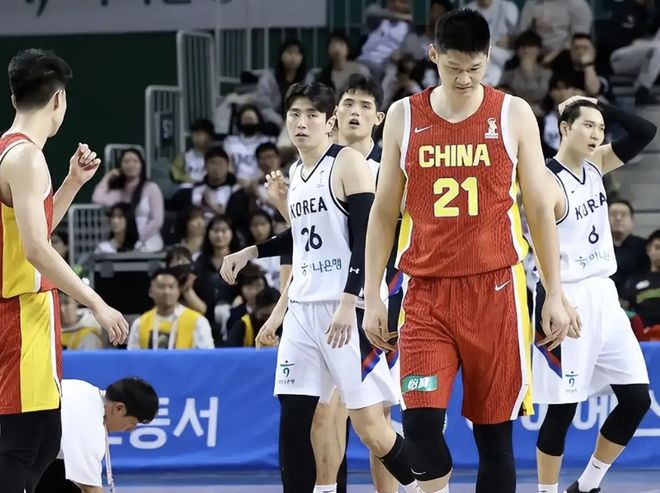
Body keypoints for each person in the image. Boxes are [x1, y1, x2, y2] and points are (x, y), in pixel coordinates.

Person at [362, 10, 572, 493]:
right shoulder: (404, 116)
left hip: (496, 291)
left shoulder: (513, 113)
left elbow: (539, 209)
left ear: (489, 57)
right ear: (433, 55)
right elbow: (383, 212)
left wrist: (554, 292)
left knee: (494, 439)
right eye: (453, 67)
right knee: (419, 430)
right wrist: (372, 295)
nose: (463, 78)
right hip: (425, 294)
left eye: (475, 68)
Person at [220, 82, 417, 493]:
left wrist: (349, 302)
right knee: (298, 416)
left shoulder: (348, 163)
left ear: (329, 122)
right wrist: (251, 251)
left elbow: (366, 238)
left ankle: (424, 484)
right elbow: (303, 235)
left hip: (346, 308)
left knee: (371, 428)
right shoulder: (296, 171)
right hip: (304, 309)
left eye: (312, 115)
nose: (302, 122)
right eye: (295, 114)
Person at [0, 49, 128, 493]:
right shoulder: (26, 159)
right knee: (24, 448)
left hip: (30, 316)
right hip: (19, 317)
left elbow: (31, 232)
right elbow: (37, 249)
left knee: (41, 445)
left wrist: (72, 183)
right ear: (58, 100)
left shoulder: (11, 150)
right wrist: (96, 303)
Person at [533, 97, 655, 493]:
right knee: (562, 411)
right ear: (564, 128)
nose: (596, 134)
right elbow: (535, 248)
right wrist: (554, 297)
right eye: (587, 125)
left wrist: (598, 105)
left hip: (604, 293)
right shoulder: (544, 179)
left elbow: (645, 132)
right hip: (567, 295)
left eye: (601, 129)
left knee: (636, 399)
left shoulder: (596, 164)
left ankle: (588, 485)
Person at [35, 377, 158, 493]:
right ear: (119, 408)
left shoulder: (83, 388)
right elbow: (91, 488)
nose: (130, 430)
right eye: (133, 423)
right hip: (26, 452)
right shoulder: (91, 427)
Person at [127, 268, 214, 350]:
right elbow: (132, 357)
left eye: (171, 287)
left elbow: (208, 357)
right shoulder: (140, 323)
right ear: (151, 292)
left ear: (178, 291)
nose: (166, 292)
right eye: (161, 287)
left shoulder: (198, 321)